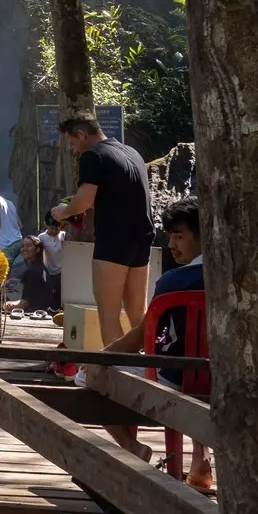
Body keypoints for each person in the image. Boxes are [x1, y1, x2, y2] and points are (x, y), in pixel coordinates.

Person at [100, 198, 210, 487]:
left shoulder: (173, 282)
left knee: (91, 375)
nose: (171, 244)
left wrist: (98, 357)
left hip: (171, 380)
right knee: (198, 370)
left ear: (203, 236)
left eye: (179, 235)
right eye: (170, 235)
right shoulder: (231, 278)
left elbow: (140, 337)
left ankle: (133, 448)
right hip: (220, 380)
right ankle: (201, 460)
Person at [51, 113, 154, 354]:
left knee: (108, 313)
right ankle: (150, 368)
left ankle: (117, 373)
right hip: (142, 240)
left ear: (82, 134)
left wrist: (63, 212)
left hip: (113, 241)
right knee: (139, 316)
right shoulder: (132, 153)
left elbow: (82, 201)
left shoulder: (93, 156)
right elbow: (120, 196)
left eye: (73, 143)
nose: (74, 149)